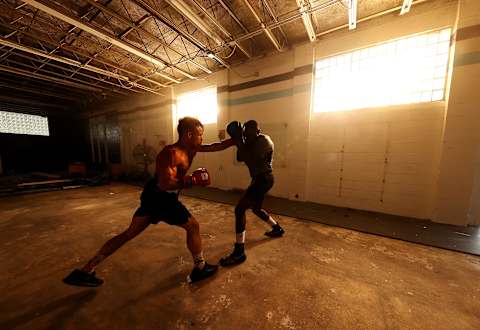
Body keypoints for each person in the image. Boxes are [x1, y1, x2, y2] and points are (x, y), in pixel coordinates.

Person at [63, 117, 219, 286]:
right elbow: (165, 184)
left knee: (128, 234)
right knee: (193, 226)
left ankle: (86, 270)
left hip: (154, 197)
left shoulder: (192, 149)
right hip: (161, 198)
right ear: (189, 135)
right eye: (200, 135)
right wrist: (191, 181)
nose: (202, 139)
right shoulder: (170, 153)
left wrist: (235, 141)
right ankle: (200, 268)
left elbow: (214, 147)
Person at [218, 120, 285, 267]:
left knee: (239, 209)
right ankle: (277, 228)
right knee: (255, 208)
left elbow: (252, 157)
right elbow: (240, 157)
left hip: (264, 179)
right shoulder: (249, 141)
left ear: (257, 131)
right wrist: (239, 139)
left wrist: (240, 141)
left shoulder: (264, 140)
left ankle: (239, 251)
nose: (246, 136)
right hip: (259, 179)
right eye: (244, 133)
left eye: (248, 133)